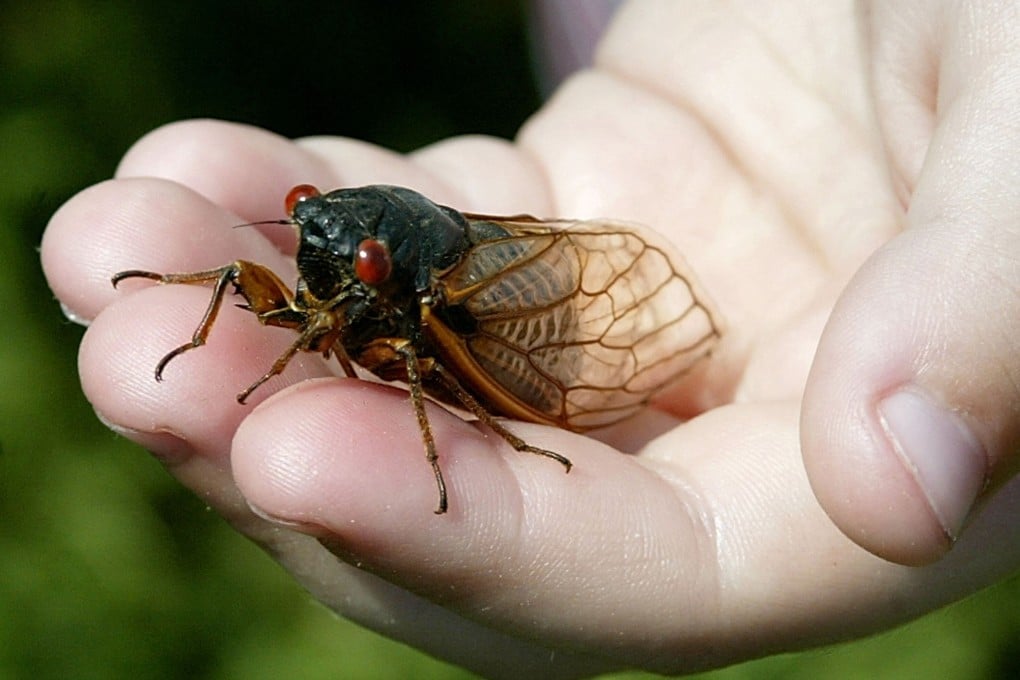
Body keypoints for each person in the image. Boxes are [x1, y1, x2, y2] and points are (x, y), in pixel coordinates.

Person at [40, 1, 1019, 675]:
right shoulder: (330, 256)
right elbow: (294, 291)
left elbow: (401, 352)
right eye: (302, 221)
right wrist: (216, 302)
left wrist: (440, 427)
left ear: (383, 268)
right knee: (223, 272)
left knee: (417, 357)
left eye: (360, 263)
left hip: (475, 304)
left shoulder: (404, 296)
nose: (314, 255)